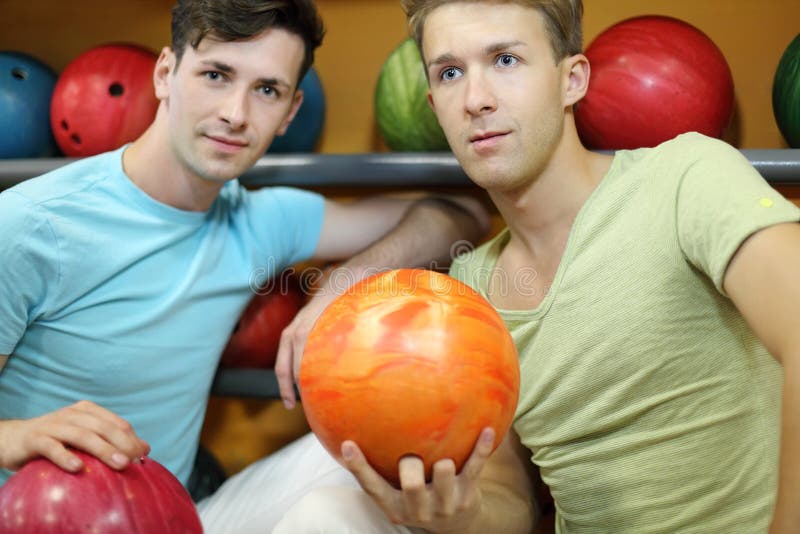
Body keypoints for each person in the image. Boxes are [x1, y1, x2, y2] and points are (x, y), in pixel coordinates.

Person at [231, 0, 800, 532]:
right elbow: (515, 499)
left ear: (571, 79)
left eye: (505, 60)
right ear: (434, 104)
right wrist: (456, 516)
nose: (475, 98)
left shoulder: (684, 177)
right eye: (449, 73)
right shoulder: (467, 291)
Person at [0, 0, 491, 516]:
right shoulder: (32, 223)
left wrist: (342, 283)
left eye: (266, 90)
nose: (236, 113)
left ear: (291, 112)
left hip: (182, 515)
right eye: (216, 74)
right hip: (39, 517)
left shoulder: (262, 220)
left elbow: (459, 215)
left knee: (370, 464)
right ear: (165, 73)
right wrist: (16, 436)